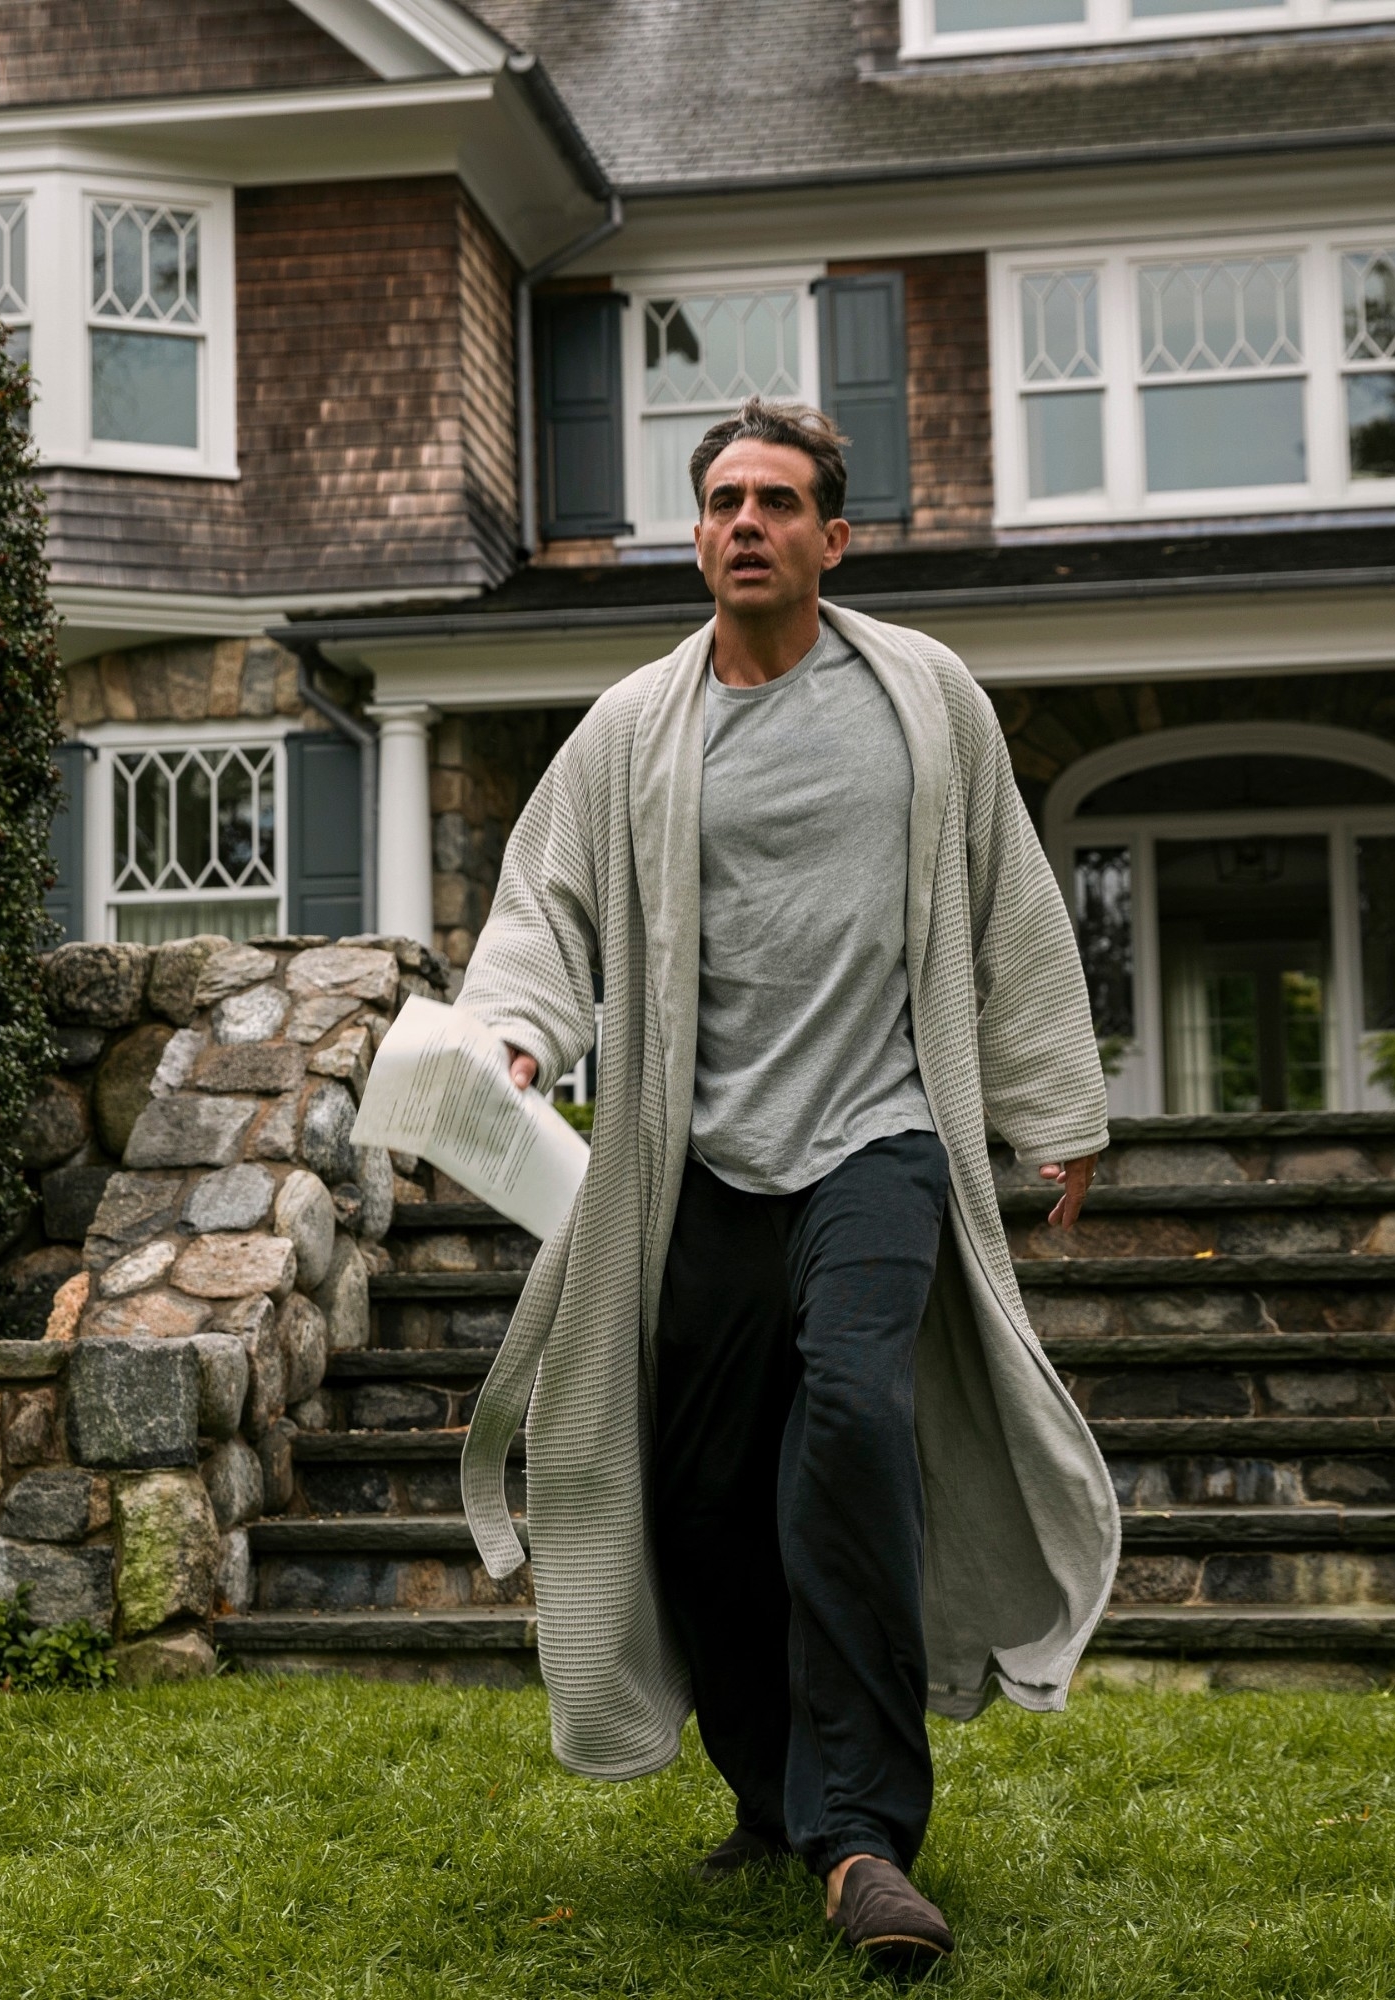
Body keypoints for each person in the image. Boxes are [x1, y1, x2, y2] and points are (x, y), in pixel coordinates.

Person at [452, 398, 1117, 1975]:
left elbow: (1009, 900)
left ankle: (866, 1837)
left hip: (880, 1139)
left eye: (780, 500)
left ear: (835, 534)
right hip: (697, 1165)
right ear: (699, 533)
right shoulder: (632, 728)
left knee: (854, 1425)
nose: (747, 521)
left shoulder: (923, 699)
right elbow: (542, 918)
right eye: (723, 500)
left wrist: (1052, 1106)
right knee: (696, 1505)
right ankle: (776, 1797)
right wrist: (518, 1044)